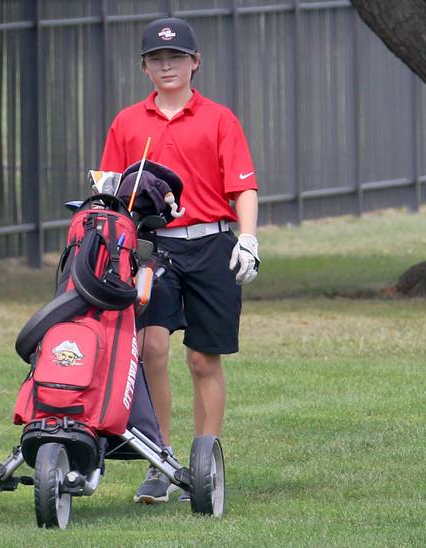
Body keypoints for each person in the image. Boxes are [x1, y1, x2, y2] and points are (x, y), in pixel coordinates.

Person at [99, 17, 260, 504]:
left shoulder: (219, 119)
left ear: (195, 63)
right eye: (156, 59)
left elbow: (243, 186)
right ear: (145, 67)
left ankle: (205, 463)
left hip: (212, 244)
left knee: (202, 359)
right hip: (154, 248)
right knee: (150, 349)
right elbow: (107, 189)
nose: (166, 66)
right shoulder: (127, 122)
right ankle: (160, 462)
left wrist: (248, 238)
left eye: (176, 58)